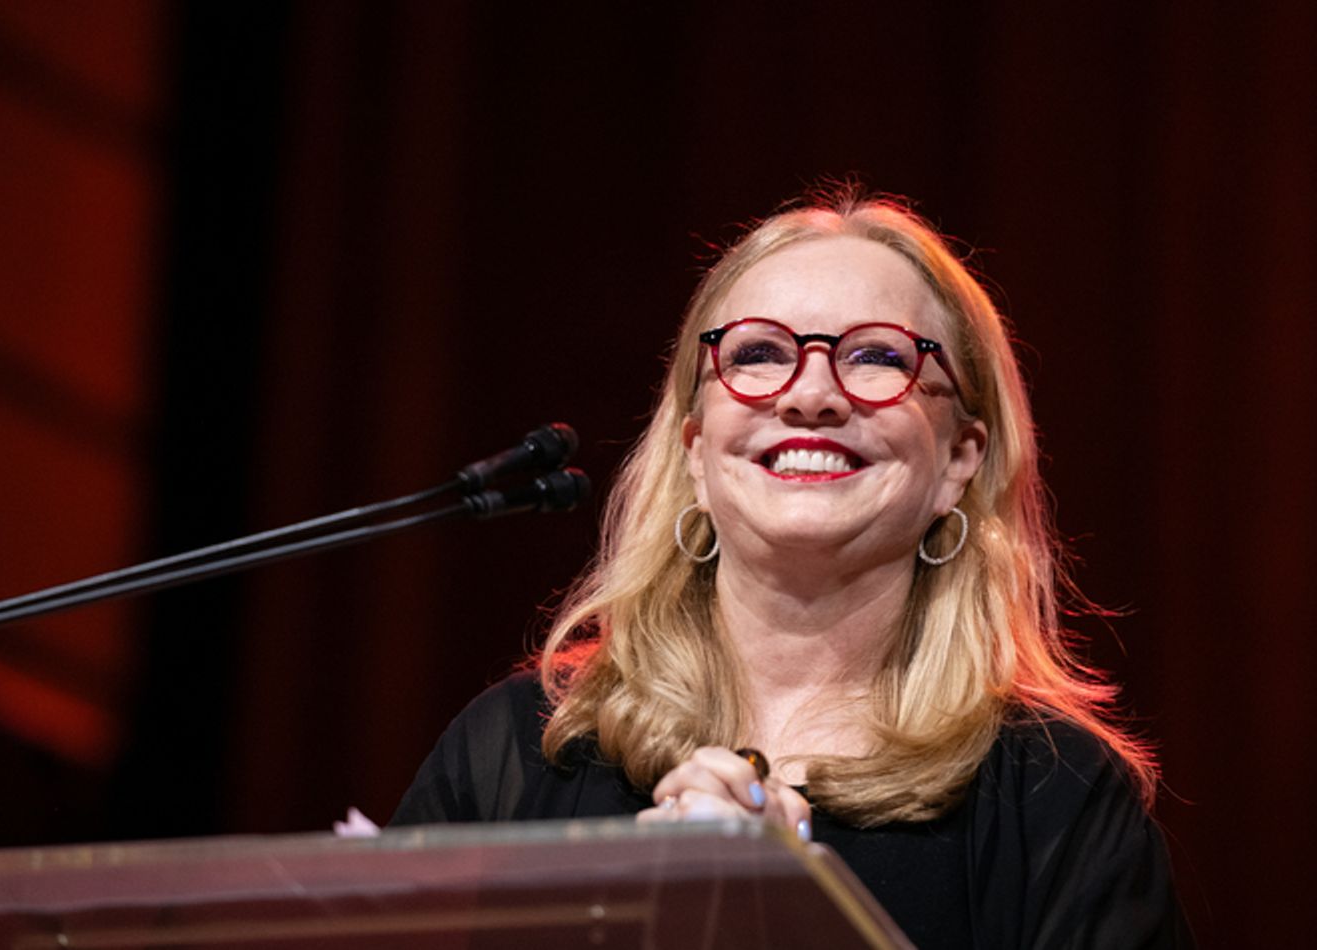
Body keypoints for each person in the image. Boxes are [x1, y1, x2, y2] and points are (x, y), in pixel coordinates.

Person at [390, 186, 1192, 948]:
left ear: (960, 459)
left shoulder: (1057, 798)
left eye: (878, 356)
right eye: (761, 352)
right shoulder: (518, 753)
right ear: (697, 448)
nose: (810, 395)